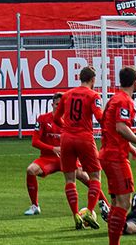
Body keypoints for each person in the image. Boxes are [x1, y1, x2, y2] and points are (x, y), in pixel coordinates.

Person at [99, 66, 136, 245]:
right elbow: (121, 127)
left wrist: (130, 147)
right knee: (124, 203)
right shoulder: (125, 101)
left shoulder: (113, 99)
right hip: (116, 157)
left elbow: (109, 126)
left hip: (107, 153)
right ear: (135, 82)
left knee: (116, 202)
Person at [54, 66, 103, 230]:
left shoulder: (67, 95)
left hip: (66, 139)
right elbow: (100, 117)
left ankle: (76, 214)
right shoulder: (93, 95)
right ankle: (89, 211)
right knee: (95, 176)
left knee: (70, 179)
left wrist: (67, 127)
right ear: (93, 80)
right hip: (84, 138)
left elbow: (56, 118)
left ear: (80, 78)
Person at [24, 92, 63, 216]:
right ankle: (35, 206)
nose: (59, 107)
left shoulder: (71, 122)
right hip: (48, 158)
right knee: (31, 170)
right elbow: (35, 142)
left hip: (66, 158)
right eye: (57, 104)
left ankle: (104, 203)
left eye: (62, 105)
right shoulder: (43, 119)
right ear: (52, 105)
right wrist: (53, 148)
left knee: (85, 176)